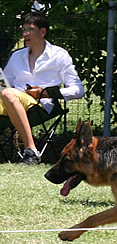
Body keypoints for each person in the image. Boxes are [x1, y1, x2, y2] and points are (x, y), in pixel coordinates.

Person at [2, 11, 85, 165]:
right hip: (11, 102)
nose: (25, 34)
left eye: (30, 30)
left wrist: (45, 93)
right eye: (24, 30)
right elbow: (5, 83)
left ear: (42, 32)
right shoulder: (16, 56)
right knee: (7, 93)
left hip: (39, 106)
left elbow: (78, 90)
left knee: (8, 94)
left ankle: (31, 150)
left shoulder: (59, 55)